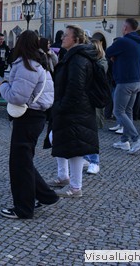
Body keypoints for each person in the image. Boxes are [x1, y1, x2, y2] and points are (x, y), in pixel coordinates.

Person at [0, 30, 57, 219]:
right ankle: (45, 195)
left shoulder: (27, 66)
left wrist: (2, 85)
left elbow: (17, 97)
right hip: (36, 116)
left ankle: (24, 208)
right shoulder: (40, 63)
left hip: (28, 117)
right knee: (24, 160)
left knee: (19, 163)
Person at [49, 25, 99, 198]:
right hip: (72, 108)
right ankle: (63, 176)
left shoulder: (78, 59)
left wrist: (61, 106)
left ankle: (75, 187)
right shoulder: (73, 56)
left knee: (74, 147)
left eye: (66, 35)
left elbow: (75, 88)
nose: (62, 38)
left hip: (75, 110)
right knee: (57, 138)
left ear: (76, 39)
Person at [105, 18, 140, 154]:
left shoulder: (123, 41)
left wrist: (115, 57)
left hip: (125, 81)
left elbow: (107, 52)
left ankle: (136, 138)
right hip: (136, 80)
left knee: (118, 111)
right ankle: (124, 141)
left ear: (125, 28)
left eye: (123, 26)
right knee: (128, 112)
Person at [83, 38, 108, 175]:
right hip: (86, 100)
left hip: (94, 100)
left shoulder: (100, 63)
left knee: (92, 132)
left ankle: (94, 161)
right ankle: (86, 157)